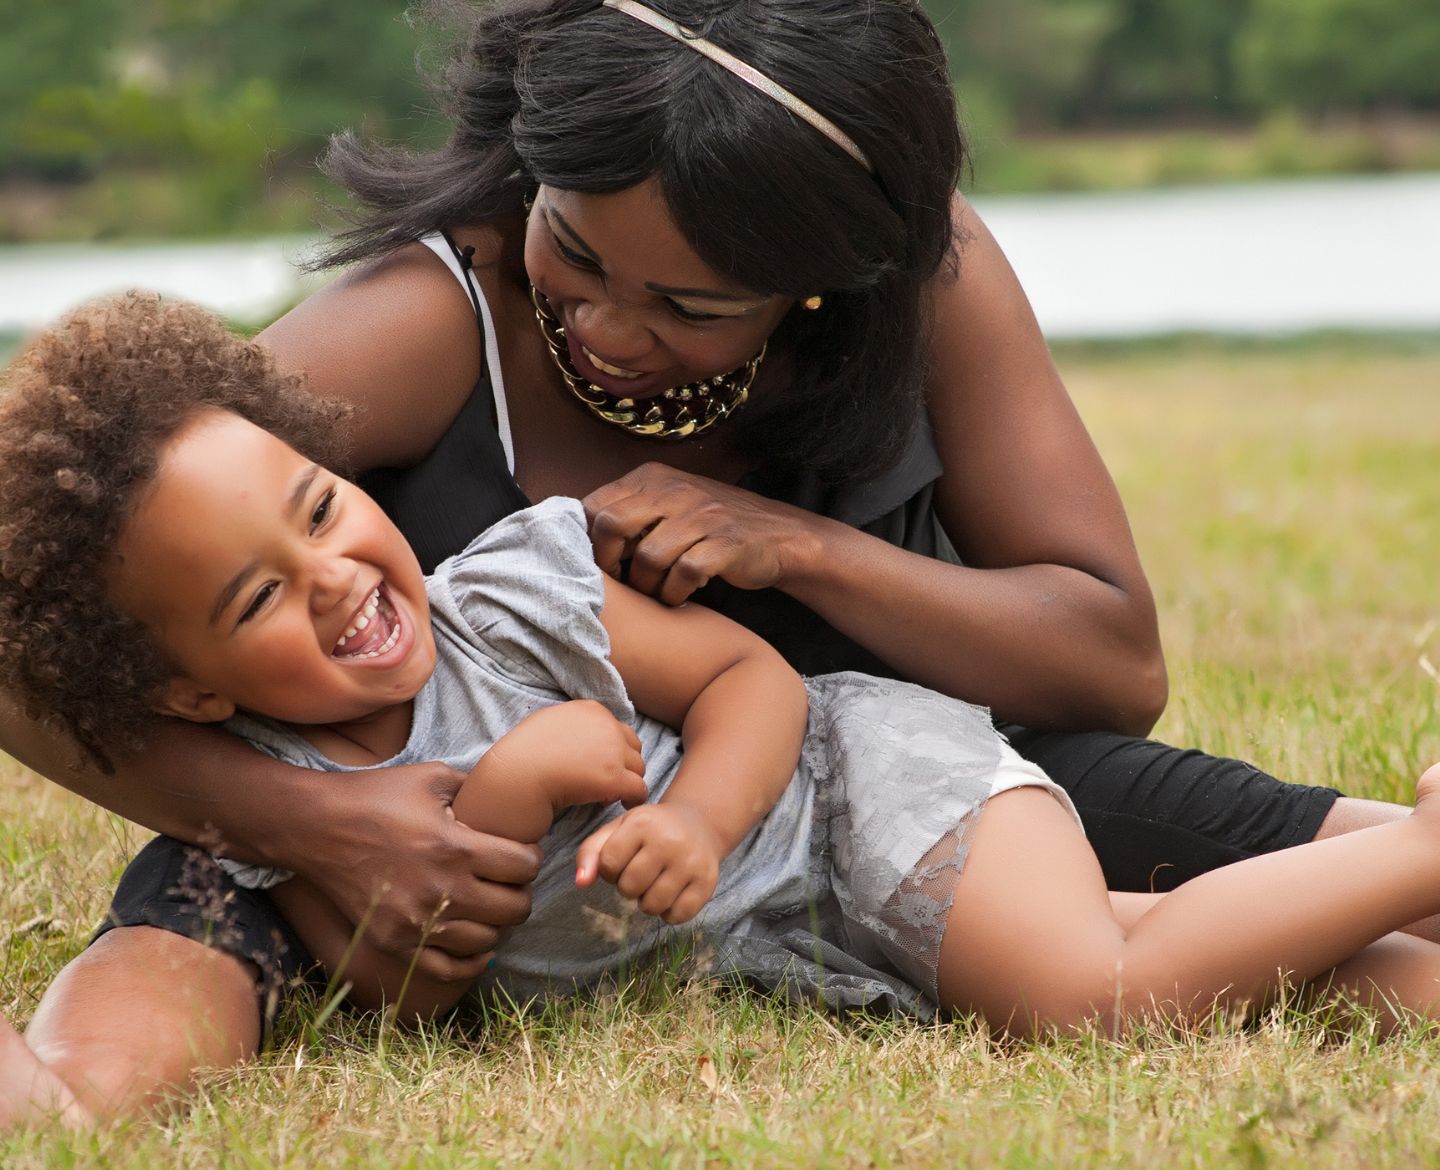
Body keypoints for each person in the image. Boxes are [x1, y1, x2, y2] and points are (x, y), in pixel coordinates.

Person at [0, 0, 1418, 1117]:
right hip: (403, 826)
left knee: (1213, 868)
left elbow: (1108, 664)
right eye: (574, 246)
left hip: (872, 771)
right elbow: (52, 578)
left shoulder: (923, 276)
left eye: (688, 302)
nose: (610, 329)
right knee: (191, 926)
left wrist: (800, 551)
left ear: (822, 285)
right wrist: (303, 824)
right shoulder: (437, 315)